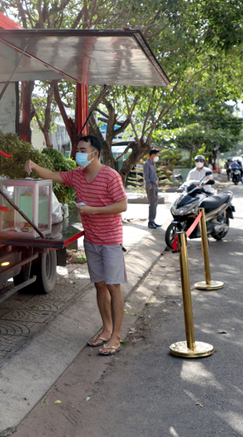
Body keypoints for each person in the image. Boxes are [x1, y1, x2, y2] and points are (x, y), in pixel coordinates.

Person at [25, 135, 128, 356]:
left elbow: (122, 205)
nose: (77, 154)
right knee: (100, 285)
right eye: (77, 150)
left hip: (110, 241)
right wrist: (33, 165)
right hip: (91, 240)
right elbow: (53, 176)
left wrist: (93, 210)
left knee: (113, 286)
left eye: (82, 150)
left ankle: (116, 337)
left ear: (95, 153)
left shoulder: (111, 176)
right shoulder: (77, 176)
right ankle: (106, 329)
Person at [143, 149, 161, 229]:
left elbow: (154, 174)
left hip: (155, 185)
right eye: (157, 155)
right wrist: (149, 185)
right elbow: (146, 176)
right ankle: (150, 222)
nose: (157, 157)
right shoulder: (147, 164)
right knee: (152, 204)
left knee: (155, 203)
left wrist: (157, 179)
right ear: (152, 155)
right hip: (151, 186)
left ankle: (153, 221)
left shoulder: (153, 163)